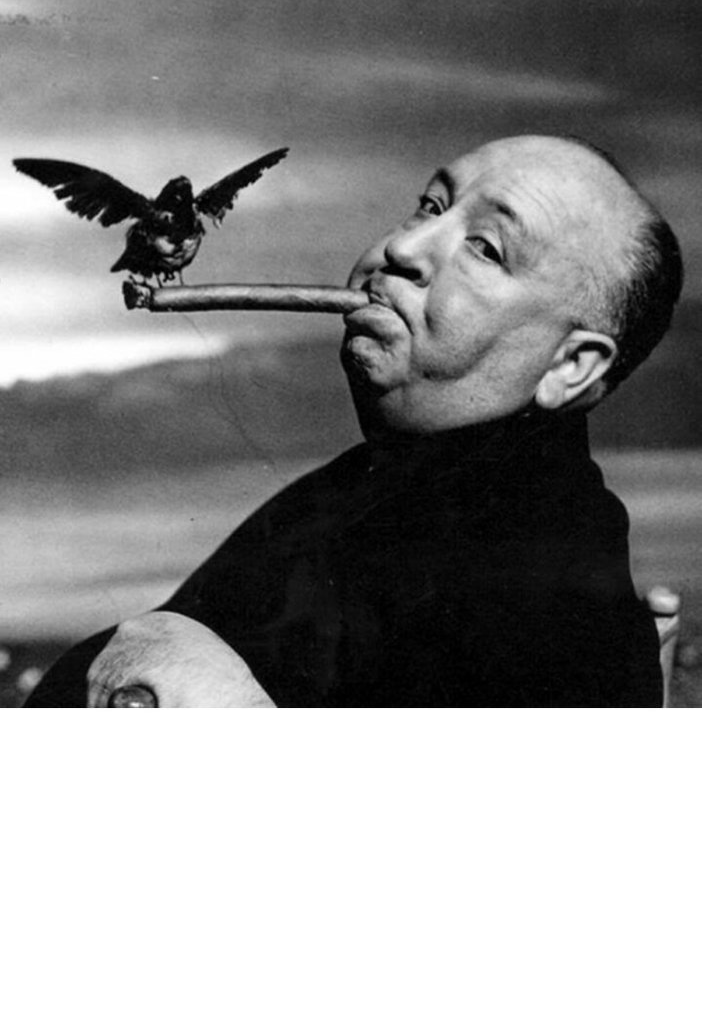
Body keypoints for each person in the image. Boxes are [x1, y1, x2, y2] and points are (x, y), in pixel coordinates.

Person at [26, 134, 683, 707]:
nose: (404, 245)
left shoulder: (542, 580)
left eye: (486, 247)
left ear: (571, 366)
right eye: (430, 207)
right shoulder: (371, 489)